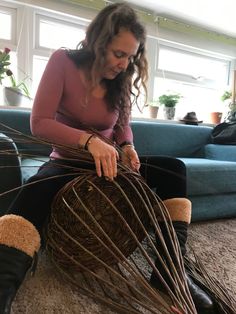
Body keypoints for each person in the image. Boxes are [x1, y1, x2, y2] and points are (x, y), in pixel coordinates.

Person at [0, 3, 215, 314]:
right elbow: (40, 122)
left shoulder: (120, 79)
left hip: (111, 163)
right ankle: (4, 285)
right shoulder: (62, 61)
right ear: (97, 42)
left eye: (131, 57)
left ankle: (169, 271)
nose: (124, 64)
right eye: (118, 54)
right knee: (35, 190)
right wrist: (89, 142)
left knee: (173, 170)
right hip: (67, 160)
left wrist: (127, 146)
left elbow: (122, 125)